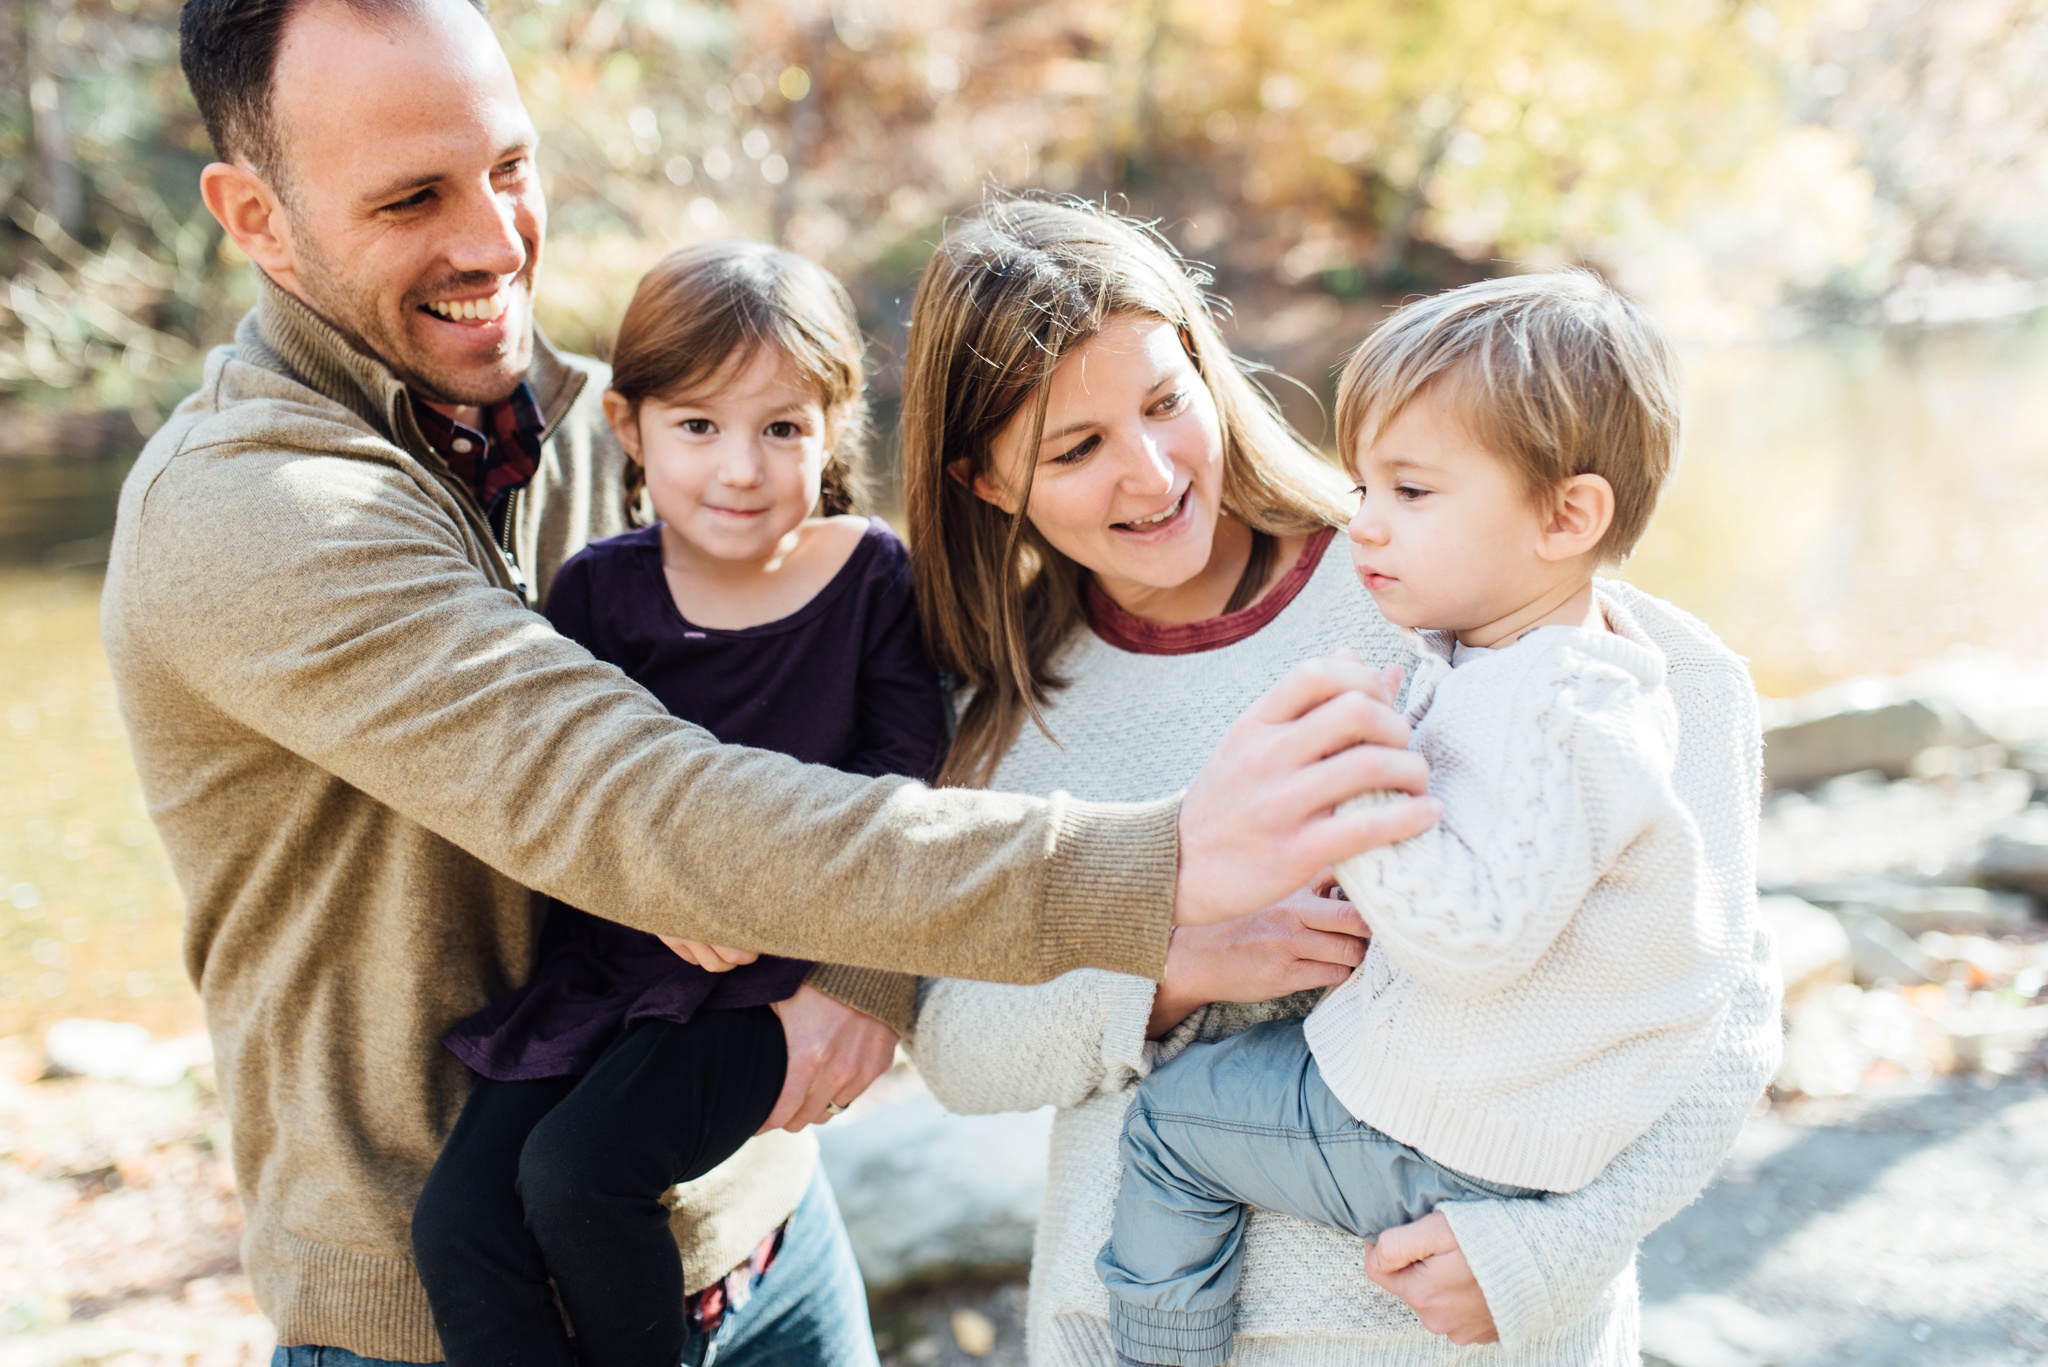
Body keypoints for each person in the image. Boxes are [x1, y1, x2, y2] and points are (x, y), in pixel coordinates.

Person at [106, 5, 1437, 1363]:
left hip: (765, 1238)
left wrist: (860, 977)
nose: (496, 238)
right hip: (454, 1312)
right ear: (254, 216)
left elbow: (862, 716)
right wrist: (1161, 868)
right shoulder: (255, 514)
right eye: (410, 197)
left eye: (510, 166)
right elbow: (645, 805)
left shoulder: (587, 435)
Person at [905, 198, 1783, 1364]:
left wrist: (1558, 1249)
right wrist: (1169, 968)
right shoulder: (999, 709)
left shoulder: (1483, 580)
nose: (1154, 470)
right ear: (982, 481)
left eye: (1169, 403)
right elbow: (960, 1049)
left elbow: (1721, 1003)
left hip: (1463, 1337)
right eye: (1074, 450)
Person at [408, 242, 944, 1366]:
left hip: (764, 975)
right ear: (628, 428)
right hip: (615, 964)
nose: (740, 468)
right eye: (699, 426)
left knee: (579, 1174)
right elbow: (566, 780)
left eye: (782, 428)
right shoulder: (601, 587)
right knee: (460, 1221)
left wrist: (787, 912)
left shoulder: (869, 576)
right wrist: (645, 883)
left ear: (834, 427)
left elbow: (904, 783)